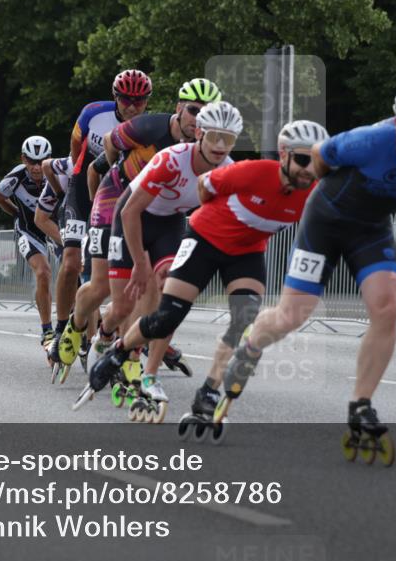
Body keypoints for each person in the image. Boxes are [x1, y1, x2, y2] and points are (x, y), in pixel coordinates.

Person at [219, 83, 396, 466]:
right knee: (292, 315)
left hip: (370, 230)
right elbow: (319, 156)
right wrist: (333, 188)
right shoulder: (367, 142)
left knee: (387, 308)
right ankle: (250, 347)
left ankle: (361, 405)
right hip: (325, 221)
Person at [92, 120, 327, 431]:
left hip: (247, 251)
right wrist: (218, 217)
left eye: (317, 161)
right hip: (205, 239)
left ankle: (209, 391)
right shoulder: (251, 171)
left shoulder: (315, 195)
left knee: (243, 317)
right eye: (301, 160)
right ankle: (120, 350)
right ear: (283, 155)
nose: (308, 169)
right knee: (167, 317)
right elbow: (205, 187)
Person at [73, 100, 242, 418]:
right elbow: (129, 210)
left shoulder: (227, 171)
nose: (220, 146)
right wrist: (139, 262)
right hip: (132, 216)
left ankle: (141, 366)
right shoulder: (172, 159)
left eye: (229, 139)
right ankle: (105, 334)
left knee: (167, 290)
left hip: (170, 223)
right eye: (214, 136)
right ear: (200, 134)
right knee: (122, 304)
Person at [55, 78, 223, 379]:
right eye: (193, 111)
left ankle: (129, 352)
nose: (199, 120)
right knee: (102, 287)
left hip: (161, 212)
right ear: (179, 108)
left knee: (155, 283)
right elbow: (107, 144)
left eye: (207, 114)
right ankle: (76, 324)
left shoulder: (209, 148)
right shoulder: (148, 127)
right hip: (115, 200)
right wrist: (113, 167)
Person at [37, 70, 152, 379]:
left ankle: (100, 332)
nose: (132, 106)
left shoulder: (145, 128)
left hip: (114, 194)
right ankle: (61, 329)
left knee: (107, 274)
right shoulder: (93, 113)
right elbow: (77, 149)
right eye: (126, 100)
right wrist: (77, 183)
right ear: (116, 97)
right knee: (72, 261)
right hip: (82, 186)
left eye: (139, 101)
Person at [0, 135, 55, 346]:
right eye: (31, 161)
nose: (36, 167)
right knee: (43, 272)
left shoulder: (56, 173)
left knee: (73, 272)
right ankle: (47, 330)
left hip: (54, 231)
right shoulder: (16, 177)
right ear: (23, 159)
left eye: (41, 161)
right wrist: (16, 213)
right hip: (29, 232)